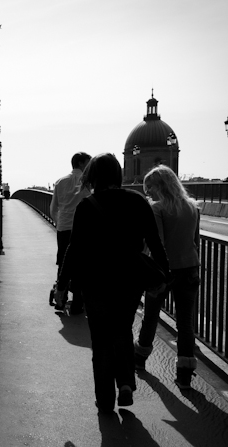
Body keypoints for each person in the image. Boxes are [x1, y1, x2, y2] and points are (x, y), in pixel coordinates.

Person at [55, 153, 169, 413]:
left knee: (101, 338)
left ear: (93, 177)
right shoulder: (138, 201)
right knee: (122, 328)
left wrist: (62, 285)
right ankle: (126, 383)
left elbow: (74, 248)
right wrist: (164, 275)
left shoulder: (87, 206)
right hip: (129, 278)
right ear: (117, 175)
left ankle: (105, 399)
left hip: (95, 280)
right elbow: (155, 242)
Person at [134, 165, 200, 389]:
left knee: (151, 316)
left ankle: (140, 358)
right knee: (185, 323)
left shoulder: (157, 208)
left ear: (161, 186)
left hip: (164, 271)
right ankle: (185, 374)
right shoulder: (192, 207)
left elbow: (157, 244)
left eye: (150, 187)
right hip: (190, 268)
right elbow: (195, 241)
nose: (147, 193)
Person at [50, 152, 92, 314]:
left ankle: (61, 297)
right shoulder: (87, 182)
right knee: (81, 263)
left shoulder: (60, 182)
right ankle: (77, 303)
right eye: (88, 163)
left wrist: (59, 222)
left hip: (64, 228)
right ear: (81, 164)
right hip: (82, 228)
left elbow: (54, 207)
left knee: (63, 261)